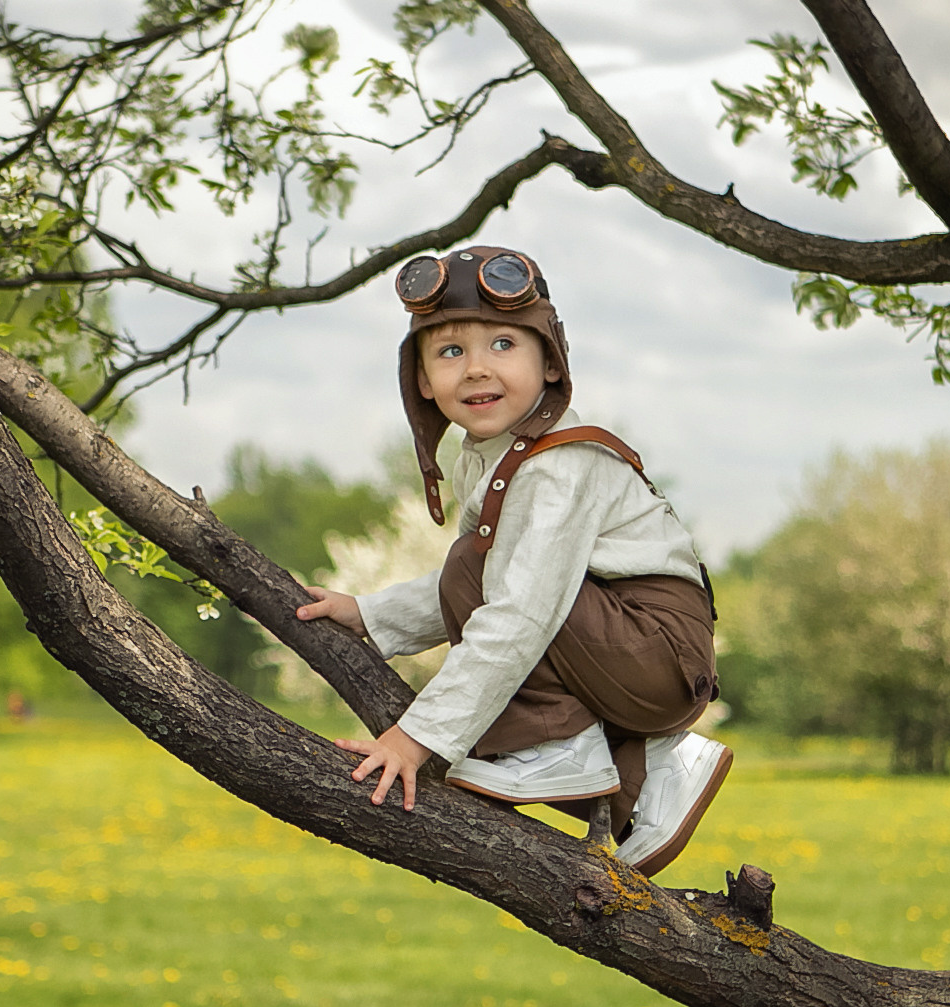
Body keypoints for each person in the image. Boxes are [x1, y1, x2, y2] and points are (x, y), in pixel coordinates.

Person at [296, 245, 730, 876]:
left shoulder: (557, 466)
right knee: (474, 566)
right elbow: (491, 585)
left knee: (479, 569)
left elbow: (520, 611)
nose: (475, 369)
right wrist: (368, 614)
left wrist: (416, 739)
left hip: (657, 647)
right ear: (420, 380)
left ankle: (556, 746)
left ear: (549, 363)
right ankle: (657, 770)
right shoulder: (496, 454)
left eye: (503, 345)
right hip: (629, 652)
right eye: (450, 352)